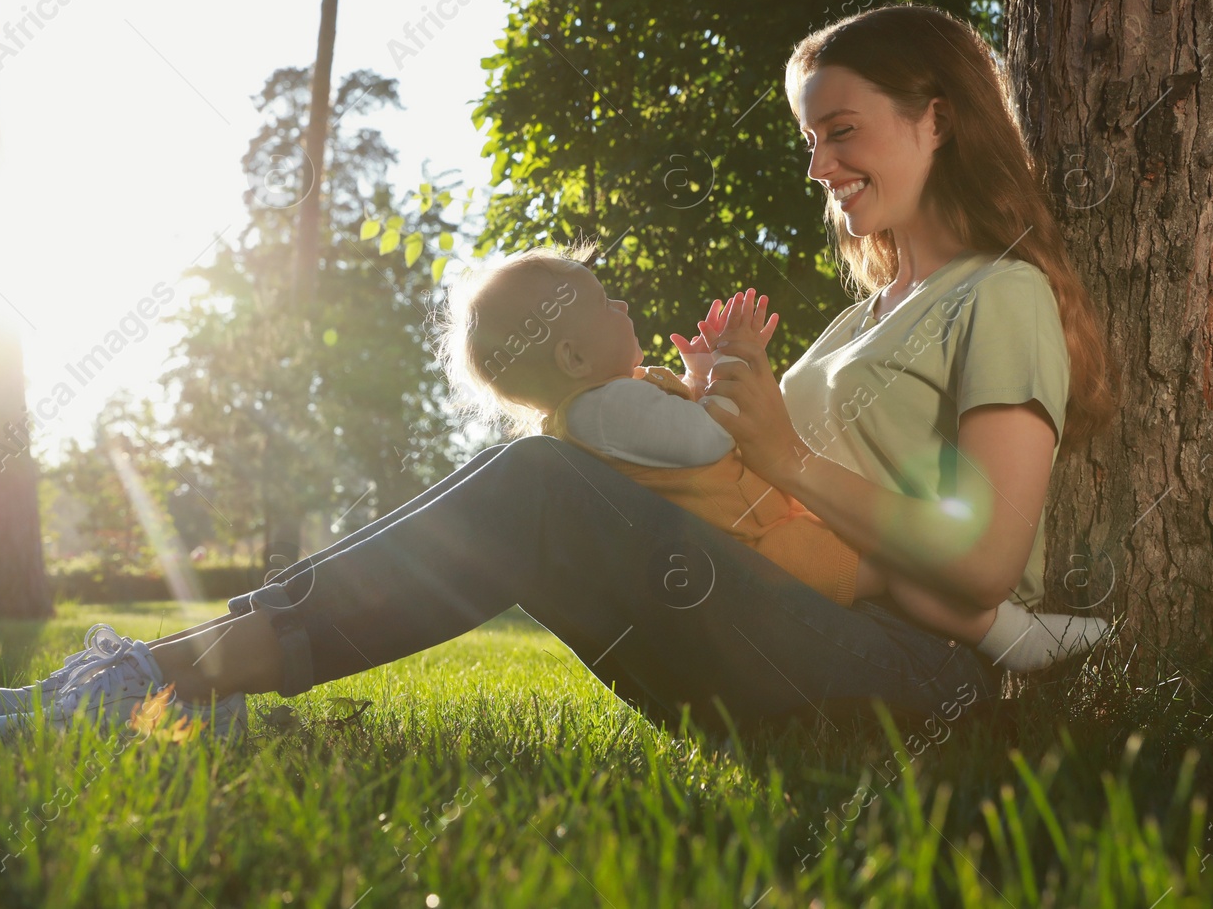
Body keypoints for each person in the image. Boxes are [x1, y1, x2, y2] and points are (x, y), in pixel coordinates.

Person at [0, 4, 1118, 745]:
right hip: (778, 645)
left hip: (908, 684)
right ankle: (166, 680)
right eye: (809, 138)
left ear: (939, 118)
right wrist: (721, 395)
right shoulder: (866, 315)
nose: (819, 164)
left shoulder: (999, 295)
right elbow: (741, 490)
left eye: (843, 130)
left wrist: (780, 448)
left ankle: (152, 680)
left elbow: (982, 560)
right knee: (538, 472)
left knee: (538, 480)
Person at [445, 244, 1107, 670]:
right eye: (601, 302)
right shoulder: (604, 407)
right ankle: (1013, 638)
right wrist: (736, 377)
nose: (620, 303)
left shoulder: (606, 407)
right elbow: (705, 439)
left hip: (756, 545)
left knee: (905, 575)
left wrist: (706, 379)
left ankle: (1008, 636)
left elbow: (682, 435)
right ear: (572, 357)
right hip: (764, 548)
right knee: (904, 572)